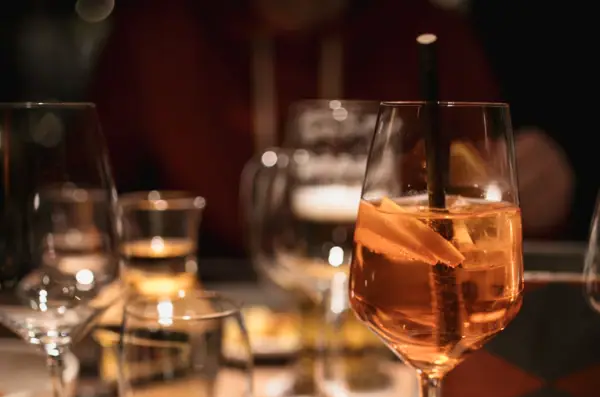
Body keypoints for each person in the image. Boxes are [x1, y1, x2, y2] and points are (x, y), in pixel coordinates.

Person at [90, 0, 574, 258]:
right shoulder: (155, 29)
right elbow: (83, 197)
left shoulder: (428, 33)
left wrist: (536, 192)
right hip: (212, 314)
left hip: (392, 325)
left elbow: (491, 189)